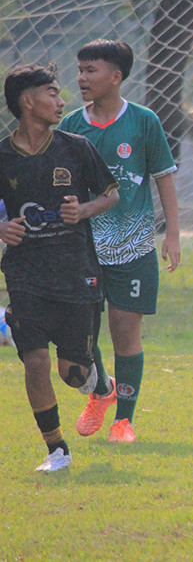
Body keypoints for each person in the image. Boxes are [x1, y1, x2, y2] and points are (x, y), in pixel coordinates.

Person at [60, 39, 181, 444]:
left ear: (116, 76)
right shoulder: (72, 126)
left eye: (90, 70)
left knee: (126, 334)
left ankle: (123, 421)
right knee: (82, 334)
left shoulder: (144, 121)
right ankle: (102, 391)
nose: (81, 78)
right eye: (80, 69)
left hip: (133, 248)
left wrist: (173, 235)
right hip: (84, 248)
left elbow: (163, 176)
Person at [0, 63, 120, 472]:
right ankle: (57, 450)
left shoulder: (75, 147)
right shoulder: (2, 154)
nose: (62, 100)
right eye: (52, 93)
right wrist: (2, 229)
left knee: (73, 373)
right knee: (34, 360)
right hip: (25, 271)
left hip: (76, 270)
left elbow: (111, 194)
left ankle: (100, 386)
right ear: (27, 101)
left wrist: (82, 210)